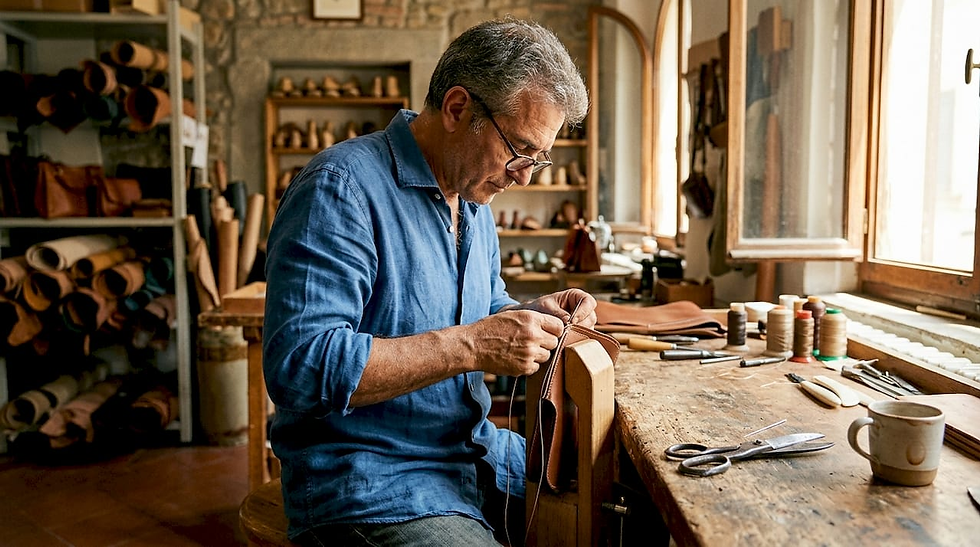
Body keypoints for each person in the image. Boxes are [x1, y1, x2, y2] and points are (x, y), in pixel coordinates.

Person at [263, 17, 593, 547]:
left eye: (541, 159)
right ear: (458, 109)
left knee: (616, 499)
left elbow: (481, 309)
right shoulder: (340, 188)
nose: (525, 175)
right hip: (369, 480)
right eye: (520, 150)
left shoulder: (473, 197)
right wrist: (473, 345)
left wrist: (533, 315)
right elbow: (300, 366)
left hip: (468, 451)